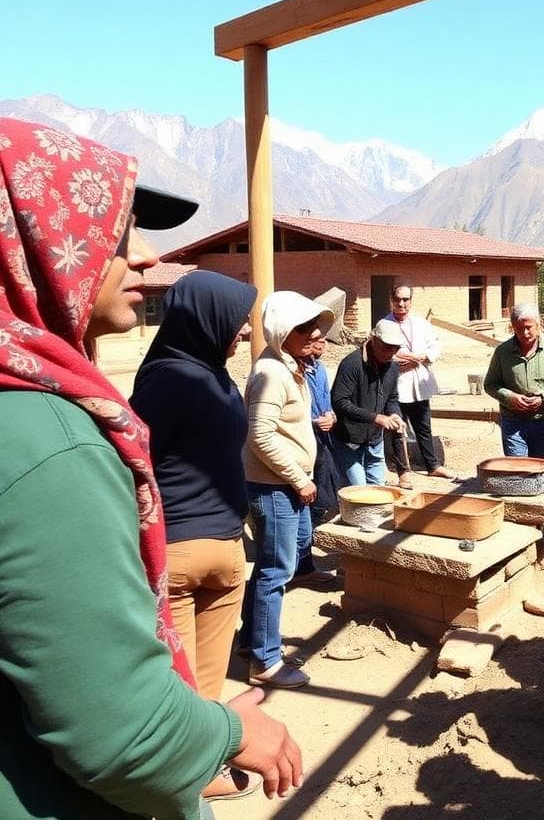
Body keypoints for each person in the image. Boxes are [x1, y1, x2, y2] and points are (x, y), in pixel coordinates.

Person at [0, 116, 301, 819]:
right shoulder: (48, 442)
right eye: (114, 231)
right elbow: (120, 731)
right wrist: (224, 733)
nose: (143, 258)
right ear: (35, 246)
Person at [131, 269, 258, 802]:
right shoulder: (219, 381)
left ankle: (187, 777)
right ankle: (207, 769)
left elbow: (136, 459)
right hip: (228, 546)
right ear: (206, 322)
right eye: (233, 324)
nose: (240, 334)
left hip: (179, 549)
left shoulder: (163, 378)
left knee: (179, 675)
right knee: (208, 677)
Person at [240, 291, 334, 689]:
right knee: (275, 571)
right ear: (284, 333)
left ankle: (252, 640)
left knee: (272, 565)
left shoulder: (289, 368)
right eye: (306, 329)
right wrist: (299, 478)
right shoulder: (272, 373)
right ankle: (265, 661)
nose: (317, 335)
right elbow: (260, 434)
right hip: (275, 485)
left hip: (284, 484)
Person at [382, 282, 456, 484]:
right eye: (397, 299)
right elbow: (382, 353)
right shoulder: (384, 325)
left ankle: (433, 466)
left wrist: (418, 357)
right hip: (397, 385)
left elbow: (434, 347)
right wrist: (401, 360)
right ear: (392, 300)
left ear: (411, 301)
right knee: (398, 429)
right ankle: (402, 471)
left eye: (405, 299)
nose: (401, 304)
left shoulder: (421, 324)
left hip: (419, 383)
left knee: (424, 428)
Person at [484, 303, 544, 458]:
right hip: (513, 421)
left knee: (540, 467)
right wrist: (510, 397)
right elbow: (490, 385)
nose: (524, 332)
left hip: (543, 420)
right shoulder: (502, 352)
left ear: (538, 324)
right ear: (512, 328)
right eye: (518, 329)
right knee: (518, 470)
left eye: (529, 327)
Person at [291, 334, 342, 586]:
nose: (320, 344)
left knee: (322, 497)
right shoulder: (290, 370)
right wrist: (314, 421)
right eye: (315, 339)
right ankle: (297, 562)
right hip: (303, 438)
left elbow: (327, 401)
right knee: (305, 500)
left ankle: (304, 560)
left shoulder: (319, 369)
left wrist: (331, 415)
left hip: (322, 439)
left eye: (323, 340)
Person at [331, 319, 405, 486]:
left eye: (396, 348)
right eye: (387, 347)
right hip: (349, 439)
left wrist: (395, 415)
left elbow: (392, 398)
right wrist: (375, 418)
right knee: (359, 491)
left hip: (375, 440)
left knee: (379, 490)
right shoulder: (352, 364)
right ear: (374, 339)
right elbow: (339, 401)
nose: (391, 352)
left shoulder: (392, 367)